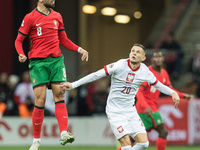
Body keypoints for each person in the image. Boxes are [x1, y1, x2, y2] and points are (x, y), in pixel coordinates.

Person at [61, 43, 180, 150]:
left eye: (138, 52)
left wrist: (173, 93)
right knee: (127, 146)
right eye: (132, 51)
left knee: (144, 144)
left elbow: (159, 85)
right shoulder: (119, 65)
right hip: (115, 111)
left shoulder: (144, 71)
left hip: (130, 111)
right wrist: (73, 84)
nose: (134, 53)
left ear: (143, 58)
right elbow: (96, 75)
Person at [14, 0, 89, 149]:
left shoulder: (57, 16)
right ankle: (36, 140)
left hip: (56, 61)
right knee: (40, 100)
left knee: (60, 95)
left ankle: (64, 133)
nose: (54, 0)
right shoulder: (30, 17)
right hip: (38, 63)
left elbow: (64, 40)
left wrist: (80, 49)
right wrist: (21, 54)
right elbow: (18, 40)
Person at [116, 51, 193, 150]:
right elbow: (139, 92)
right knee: (161, 132)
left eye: (160, 56)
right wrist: (146, 107)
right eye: (155, 57)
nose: (158, 58)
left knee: (136, 137)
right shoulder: (147, 72)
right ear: (151, 60)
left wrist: (183, 96)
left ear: (163, 59)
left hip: (151, 108)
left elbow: (170, 89)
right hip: (145, 109)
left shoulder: (164, 73)